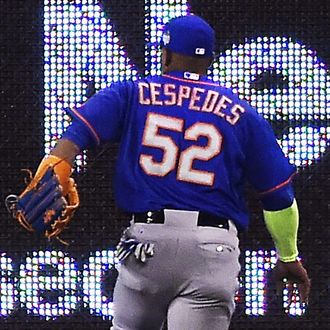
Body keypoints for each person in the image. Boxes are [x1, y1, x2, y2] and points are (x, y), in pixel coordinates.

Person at [22, 14, 310, 330]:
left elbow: (74, 138)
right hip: (213, 248)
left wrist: (52, 171)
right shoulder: (242, 113)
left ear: (166, 54)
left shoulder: (131, 93)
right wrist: (288, 256)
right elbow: (280, 198)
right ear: (210, 60)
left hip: (148, 244)